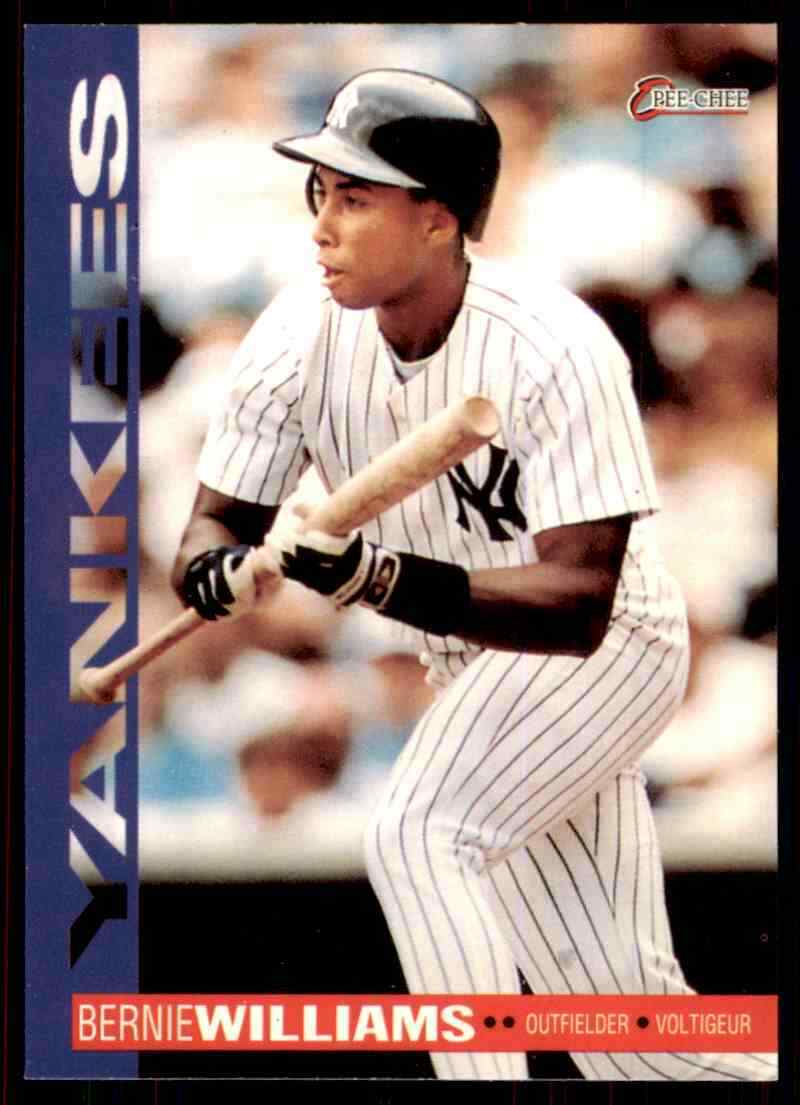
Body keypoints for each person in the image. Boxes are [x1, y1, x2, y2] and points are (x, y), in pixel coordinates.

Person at [172, 69, 776, 1082]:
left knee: (418, 830)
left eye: (354, 197)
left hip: (607, 649)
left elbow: (579, 602)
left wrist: (377, 577)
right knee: (634, 1041)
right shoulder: (295, 334)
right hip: (471, 665)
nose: (322, 225)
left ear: (439, 217)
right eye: (320, 193)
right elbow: (212, 525)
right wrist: (215, 570)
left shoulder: (554, 342)